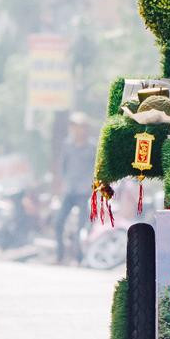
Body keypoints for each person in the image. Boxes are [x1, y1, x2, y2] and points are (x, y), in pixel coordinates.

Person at [55, 112, 96, 264]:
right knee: (58, 222)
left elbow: (97, 169)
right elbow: (62, 166)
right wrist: (62, 185)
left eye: (79, 127)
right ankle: (59, 256)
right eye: (73, 126)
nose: (76, 130)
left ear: (85, 129)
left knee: (82, 226)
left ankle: (79, 258)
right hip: (69, 190)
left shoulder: (92, 147)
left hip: (84, 192)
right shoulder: (67, 145)